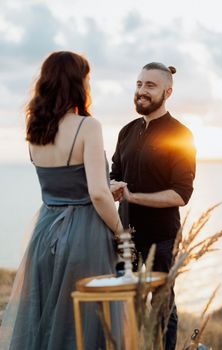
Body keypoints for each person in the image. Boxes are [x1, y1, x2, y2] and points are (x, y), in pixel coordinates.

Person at [0, 51, 125, 350]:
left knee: (45, 319)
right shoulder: (87, 126)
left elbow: (66, 183)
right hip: (84, 235)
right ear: (78, 83)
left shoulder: (35, 130)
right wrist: (121, 232)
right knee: (86, 321)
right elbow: (95, 194)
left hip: (44, 234)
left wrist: (107, 186)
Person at [110, 62, 196, 350]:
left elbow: (180, 194)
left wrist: (131, 196)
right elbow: (115, 177)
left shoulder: (181, 135)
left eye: (150, 86)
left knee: (162, 308)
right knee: (127, 307)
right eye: (138, 84)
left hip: (162, 238)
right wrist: (111, 188)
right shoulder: (126, 131)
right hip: (125, 239)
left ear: (167, 92)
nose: (141, 92)